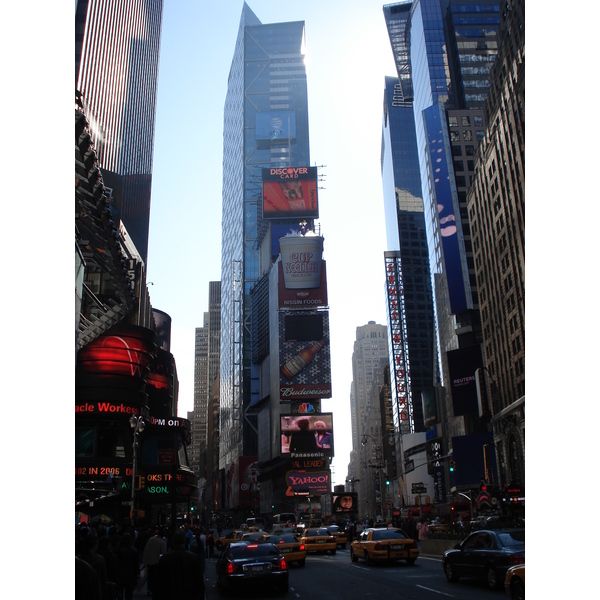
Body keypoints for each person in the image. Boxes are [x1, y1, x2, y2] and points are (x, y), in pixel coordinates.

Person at [154, 530, 205, 600]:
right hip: (189, 595)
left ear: (173, 541)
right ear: (184, 541)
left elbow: (159, 583)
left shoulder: (164, 559)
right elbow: (199, 583)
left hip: (169, 595)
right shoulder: (193, 558)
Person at [142, 527, 167, 597]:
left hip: (148, 560)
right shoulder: (162, 542)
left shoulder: (151, 539)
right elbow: (164, 553)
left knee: (150, 576)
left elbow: (146, 548)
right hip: (156, 561)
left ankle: (149, 589)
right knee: (155, 576)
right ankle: (153, 589)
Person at [115, 533, 140, 600]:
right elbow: (136, 564)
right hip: (130, 575)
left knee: (120, 593)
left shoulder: (118, 551)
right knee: (129, 594)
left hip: (120, 574)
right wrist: (137, 574)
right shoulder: (134, 551)